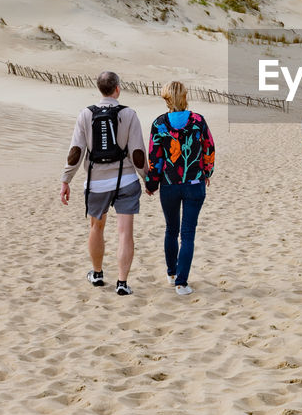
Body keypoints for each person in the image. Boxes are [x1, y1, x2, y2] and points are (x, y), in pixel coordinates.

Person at [60, 71, 146, 296]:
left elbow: (75, 152)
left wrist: (66, 179)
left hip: (96, 183)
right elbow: (137, 153)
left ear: (99, 89)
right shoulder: (129, 114)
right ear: (117, 88)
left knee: (96, 227)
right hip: (126, 180)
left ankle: (97, 274)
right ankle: (122, 283)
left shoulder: (85, 114)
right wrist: (148, 179)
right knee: (124, 232)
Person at [146, 81, 214, 296]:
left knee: (171, 229)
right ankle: (181, 283)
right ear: (185, 96)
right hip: (194, 184)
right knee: (187, 234)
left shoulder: (159, 124)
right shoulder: (198, 121)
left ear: (166, 98)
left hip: (169, 184)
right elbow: (209, 149)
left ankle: (172, 273)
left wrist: (152, 183)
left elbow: (154, 157)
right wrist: (207, 172)